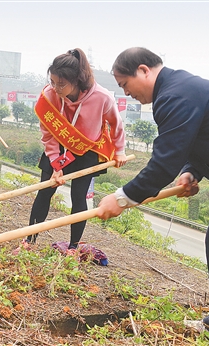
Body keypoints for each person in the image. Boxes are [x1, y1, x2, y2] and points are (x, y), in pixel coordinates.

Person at [96, 47, 209, 340]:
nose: (126, 94)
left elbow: (164, 161)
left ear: (143, 70)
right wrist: (191, 172)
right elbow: (196, 140)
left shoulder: (175, 94)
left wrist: (121, 198)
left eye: (125, 85)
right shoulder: (178, 90)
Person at [14, 48, 127, 255]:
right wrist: (56, 164)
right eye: (53, 81)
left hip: (86, 150)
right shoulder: (49, 96)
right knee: (44, 192)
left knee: (78, 197)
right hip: (58, 148)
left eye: (61, 84)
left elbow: (116, 124)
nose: (56, 88)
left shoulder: (102, 97)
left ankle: (73, 247)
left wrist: (119, 151)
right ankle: (29, 241)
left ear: (77, 80)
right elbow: (48, 134)